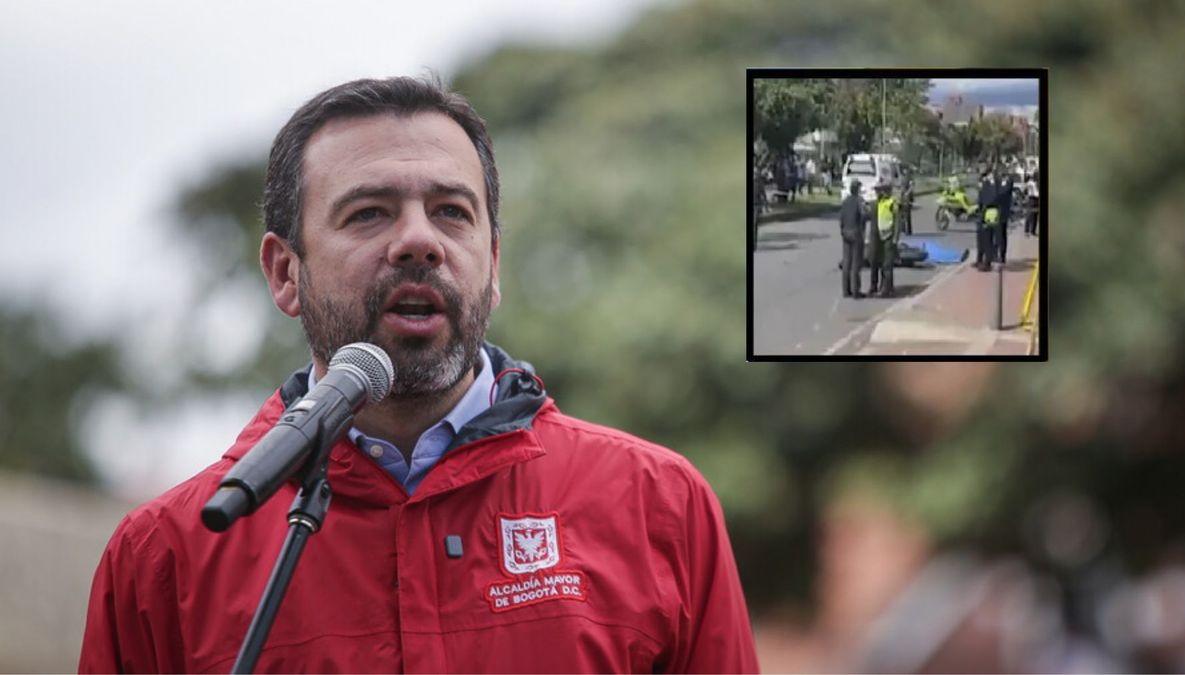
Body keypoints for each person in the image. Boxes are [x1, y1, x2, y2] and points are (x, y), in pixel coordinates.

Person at [78, 76, 759, 673]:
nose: (419, 240)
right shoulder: (164, 559)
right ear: (287, 272)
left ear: (492, 266)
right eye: (369, 212)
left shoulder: (657, 506)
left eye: (451, 212)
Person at [868, 181, 899, 297]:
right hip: (876, 237)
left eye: (879, 190)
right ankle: (874, 286)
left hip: (888, 236)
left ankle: (886, 288)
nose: (877, 193)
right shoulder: (875, 204)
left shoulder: (892, 203)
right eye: (876, 191)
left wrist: (895, 237)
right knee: (874, 261)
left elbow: (897, 222)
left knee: (887, 264)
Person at [839, 179, 869, 299]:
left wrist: (842, 230)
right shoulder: (859, 201)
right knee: (856, 262)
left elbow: (841, 218)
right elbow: (863, 215)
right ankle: (856, 291)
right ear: (857, 189)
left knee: (846, 262)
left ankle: (846, 290)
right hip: (856, 233)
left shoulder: (845, 201)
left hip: (846, 232)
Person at [974, 166, 998, 271]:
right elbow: (981, 197)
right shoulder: (984, 182)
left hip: (989, 212)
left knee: (988, 238)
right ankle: (979, 260)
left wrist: (983, 207)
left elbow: (990, 198)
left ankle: (987, 262)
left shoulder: (992, 183)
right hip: (982, 211)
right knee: (981, 238)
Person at [994, 169, 1015, 264]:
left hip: (1003, 211)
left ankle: (1002, 255)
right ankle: (997, 254)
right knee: (997, 233)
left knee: (1001, 234)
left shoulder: (1008, 183)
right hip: (996, 211)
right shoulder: (997, 182)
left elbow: (1003, 193)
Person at [1024, 170, 1040, 236]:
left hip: (1036, 199)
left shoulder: (1037, 183)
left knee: (1035, 215)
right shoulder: (1030, 183)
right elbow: (1025, 190)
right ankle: (1027, 231)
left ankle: (1032, 231)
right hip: (1031, 199)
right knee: (1029, 215)